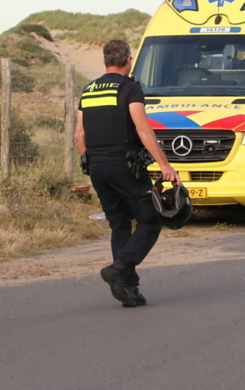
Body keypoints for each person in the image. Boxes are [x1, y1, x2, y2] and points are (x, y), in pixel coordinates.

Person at [75, 39, 180, 308]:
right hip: (125, 166)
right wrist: (165, 165)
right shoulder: (129, 88)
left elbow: (79, 134)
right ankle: (120, 268)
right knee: (150, 220)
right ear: (128, 60)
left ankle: (128, 290)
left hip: (96, 166)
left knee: (119, 223)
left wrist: (89, 161)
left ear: (104, 61)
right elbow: (143, 129)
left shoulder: (89, 90)